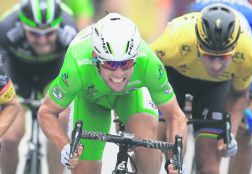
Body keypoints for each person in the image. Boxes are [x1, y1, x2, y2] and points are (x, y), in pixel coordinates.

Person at [37, 12, 187, 174]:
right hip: (91, 101)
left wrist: (176, 162)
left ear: (135, 58)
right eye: (109, 64)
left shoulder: (149, 62)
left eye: (127, 63)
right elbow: (46, 112)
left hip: (130, 95)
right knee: (84, 169)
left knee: (147, 148)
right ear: (95, 58)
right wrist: (65, 146)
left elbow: (176, 116)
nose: (118, 73)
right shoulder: (77, 65)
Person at [151, 3, 252, 174]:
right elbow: (141, 68)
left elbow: (239, 94)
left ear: (235, 50)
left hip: (215, 88)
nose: (215, 65)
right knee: (158, 149)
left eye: (224, 57)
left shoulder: (248, 52)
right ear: (197, 45)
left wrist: (231, 132)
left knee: (209, 167)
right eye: (208, 55)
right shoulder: (176, 40)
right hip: (174, 77)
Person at [0, 0, 77, 174]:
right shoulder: (7, 28)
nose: (42, 41)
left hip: (53, 73)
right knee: (10, 138)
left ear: (58, 25)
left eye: (49, 33)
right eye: (34, 33)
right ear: (23, 25)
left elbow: (77, 75)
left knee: (60, 122)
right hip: (17, 73)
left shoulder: (69, 29)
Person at [188, 0, 252, 174]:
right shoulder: (194, 19)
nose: (217, 61)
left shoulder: (249, 48)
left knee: (245, 127)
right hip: (198, 13)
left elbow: (243, 92)